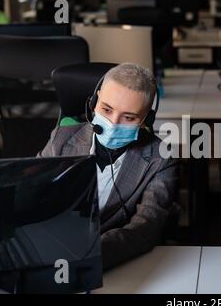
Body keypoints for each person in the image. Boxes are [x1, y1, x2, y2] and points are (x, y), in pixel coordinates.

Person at [38, 63, 178, 269]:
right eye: (106, 109)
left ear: (145, 120)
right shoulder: (61, 138)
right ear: (93, 103)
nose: (113, 123)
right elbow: (31, 192)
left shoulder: (160, 159)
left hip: (113, 261)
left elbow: (146, 227)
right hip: (51, 251)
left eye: (129, 117)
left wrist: (91, 256)